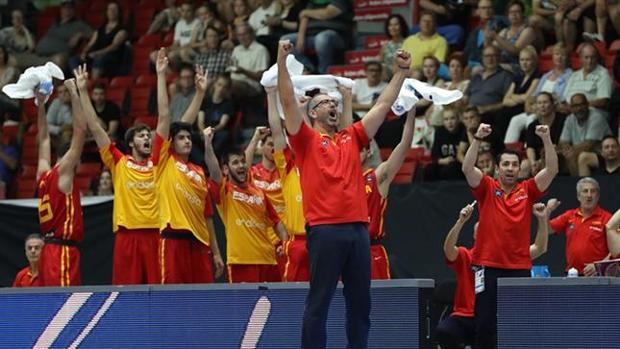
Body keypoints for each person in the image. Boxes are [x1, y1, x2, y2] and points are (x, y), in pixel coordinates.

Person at [277, 39, 411, 348]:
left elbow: (380, 107)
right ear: (312, 113)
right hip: (325, 232)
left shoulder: (352, 138)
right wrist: (282, 62)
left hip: (358, 232)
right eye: (325, 102)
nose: (332, 105)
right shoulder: (305, 141)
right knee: (319, 302)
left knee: (360, 304)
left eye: (334, 102)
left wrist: (400, 74)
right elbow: (286, 102)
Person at [461, 119, 558, 348]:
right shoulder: (486, 187)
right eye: (506, 165)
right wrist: (477, 139)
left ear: (519, 168)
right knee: (484, 323)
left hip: (518, 268)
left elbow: (552, 170)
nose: (510, 169)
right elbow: (467, 168)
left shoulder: (528, 190)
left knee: (517, 324)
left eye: (514, 165)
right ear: (497, 168)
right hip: (487, 266)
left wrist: (546, 139)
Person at [434, 199, 558, 349]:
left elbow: (539, 248)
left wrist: (542, 219)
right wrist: (460, 222)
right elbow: (448, 249)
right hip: (465, 316)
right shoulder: (466, 255)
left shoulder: (506, 256)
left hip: (492, 318)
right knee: (444, 331)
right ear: (474, 236)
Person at [75, 65, 156, 285]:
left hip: (155, 233)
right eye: (141, 136)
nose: (146, 139)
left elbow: (169, 122)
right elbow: (95, 127)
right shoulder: (120, 162)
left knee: (160, 292)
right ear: (131, 142)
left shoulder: (160, 166)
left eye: (148, 135)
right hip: (127, 234)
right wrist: (83, 91)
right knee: (126, 291)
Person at [153, 48, 225, 284]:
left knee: (202, 306)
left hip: (201, 243)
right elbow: (166, 118)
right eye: (181, 138)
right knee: (172, 304)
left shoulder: (199, 171)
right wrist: (161, 76)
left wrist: (215, 252)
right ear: (171, 143)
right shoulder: (164, 162)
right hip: (173, 239)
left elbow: (208, 218)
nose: (186, 140)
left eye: (188, 138)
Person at [205, 137, 289, 283]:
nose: (242, 165)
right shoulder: (224, 191)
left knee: (274, 305)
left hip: (269, 260)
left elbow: (277, 222)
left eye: (243, 161)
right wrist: (207, 143)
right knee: (243, 306)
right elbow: (214, 172)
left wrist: (285, 244)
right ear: (225, 169)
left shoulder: (259, 192)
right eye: (235, 162)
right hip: (241, 262)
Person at [36, 78, 87, 287]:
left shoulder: (43, 172)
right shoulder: (63, 172)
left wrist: (40, 105)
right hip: (61, 252)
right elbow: (80, 132)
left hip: (48, 250)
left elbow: (44, 138)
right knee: (65, 305)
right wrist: (75, 94)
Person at [362, 108, 415, 279]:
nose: (354, 152)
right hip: (343, 250)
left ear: (368, 152)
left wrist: (411, 111)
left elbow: (404, 145)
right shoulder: (340, 179)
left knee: (379, 302)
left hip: (371, 249)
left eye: (360, 148)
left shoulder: (377, 176)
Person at [265, 85, 309, 282]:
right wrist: (271, 94)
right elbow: (276, 130)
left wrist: (302, 111)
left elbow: (313, 137)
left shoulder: (322, 164)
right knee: (293, 298)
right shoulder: (288, 168)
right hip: (297, 242)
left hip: (324, 240)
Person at [549, 177, 612, 276]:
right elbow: (547, 230)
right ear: (578, 196)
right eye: (585, 191)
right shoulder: (569, 216)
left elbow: (616, 250)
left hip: (597, 275)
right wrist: (547, 211)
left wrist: (600, 266)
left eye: (593, 191)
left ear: (598, 196)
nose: (589, 195)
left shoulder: (607, 218)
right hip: (573, 275)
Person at [281, 0, 353, 73]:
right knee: (285, 41)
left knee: (321, 38)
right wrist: (300, 38)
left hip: (336, 36)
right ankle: (307, 68)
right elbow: (304, 18)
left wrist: (306, 12)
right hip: (312, 35)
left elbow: (328, 13)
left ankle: (324, 72)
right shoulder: (312, 2)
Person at [17, 0, 92, 70]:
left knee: (58, 60)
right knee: (13, 59)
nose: (67, 10)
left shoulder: (78, 24)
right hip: (38, 54)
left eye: (70, 8)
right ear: (61, 10)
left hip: (56, 56)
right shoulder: (55, 24)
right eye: (65, 8)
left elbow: (94, 34)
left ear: (73, 10)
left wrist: (80, 34)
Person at [69, 1, 128, 78]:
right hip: (95, 55)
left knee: (99, 59)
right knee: (73, 60)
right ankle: (82, 80)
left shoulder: (122, 30)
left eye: (114, 9)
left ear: (119, 12)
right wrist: (84, 52)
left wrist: (98, 53)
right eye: (110, 9)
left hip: (111, 57)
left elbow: (114, 46)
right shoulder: (99, 30)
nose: (112, 12)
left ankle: (94, 83)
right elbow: (90, 44)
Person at [558, 93, 612, 176]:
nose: (579, 108)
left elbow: (588, 145)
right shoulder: (570, 119)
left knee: (575, 155)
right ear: (571, 108)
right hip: (579, 152)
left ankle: (579, 186)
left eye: (581, 105)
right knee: (550, 156)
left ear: (587, 105)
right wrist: (561, 150)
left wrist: (567, 150)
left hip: (603, 155)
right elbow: (562, 142)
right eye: (575, 106)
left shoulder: (596, 117)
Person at [463, 45, 513, 133]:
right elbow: (465, 97)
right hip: (469, 112)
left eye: (493, 56)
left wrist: (487, 108)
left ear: (499, 57)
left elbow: (507, 102)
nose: (490, 59)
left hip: (487, 114)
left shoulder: (505, 76)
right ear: (482, 58)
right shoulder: (476, 77)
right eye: (487, 56)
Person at [561, 43, 613, 116]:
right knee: (545, 116)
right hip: (570, 113)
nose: (589, 61)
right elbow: (565, 98)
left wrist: (579, 107)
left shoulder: (603, 74)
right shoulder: (574, 75)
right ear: (580, 59)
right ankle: (542, 127)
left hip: (592, 113)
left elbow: (603, 101)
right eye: (586, 57)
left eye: (592, 57)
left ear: (597, 58)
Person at [485, 0, 536, 73]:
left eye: (517, 12)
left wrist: (495, 36)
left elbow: (515, 50)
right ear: (507, 15)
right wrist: (487, 38)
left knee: (494, 68)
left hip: (519, 66)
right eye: (511, 12)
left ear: (522, 14)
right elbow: (492, 50)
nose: (514, 15)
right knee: (478, 69)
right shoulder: (505, 31)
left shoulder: (528, 30)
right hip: (501, 65)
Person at [524, 92, 566, 177]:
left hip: (558, 155)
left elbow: (561, 144)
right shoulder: (532, 126)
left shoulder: (563, 120)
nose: (542, 106)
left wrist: (541, 160)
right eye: (539, 103)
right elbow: (530, 147)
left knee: (546, 159)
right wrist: (533, 162)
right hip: (538, 158)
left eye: (545, 102)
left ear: (552, 104)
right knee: (525, 165)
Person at [425, 108, 466, 181]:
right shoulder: (440, 131)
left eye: (452, 118)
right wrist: (443, 161)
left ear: (458, 119)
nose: (449, 122)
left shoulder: (463, 130)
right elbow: (434, 154)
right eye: (446, 119)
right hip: (444, 162)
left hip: (459, 164)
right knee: (429, 169)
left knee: (450, 169)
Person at [197, 74, 234, 154]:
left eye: (224, 87)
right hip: (203, 130)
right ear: (214, 84)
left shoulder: (228, 104)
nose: (221, 89)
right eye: (219, 85)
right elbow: (200, 121)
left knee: (224, 135)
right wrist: (204, 131)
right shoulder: (205, 101)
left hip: (216, 132)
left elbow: (222, 124)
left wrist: (210, 132)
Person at [379, 14, 408, 80]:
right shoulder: (385, 45)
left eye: (396, 24)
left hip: (404, 77)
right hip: (387, 78)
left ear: (402, 26)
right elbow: (381, 63)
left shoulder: (408, 43)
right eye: (390, 25)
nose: (393, 28)